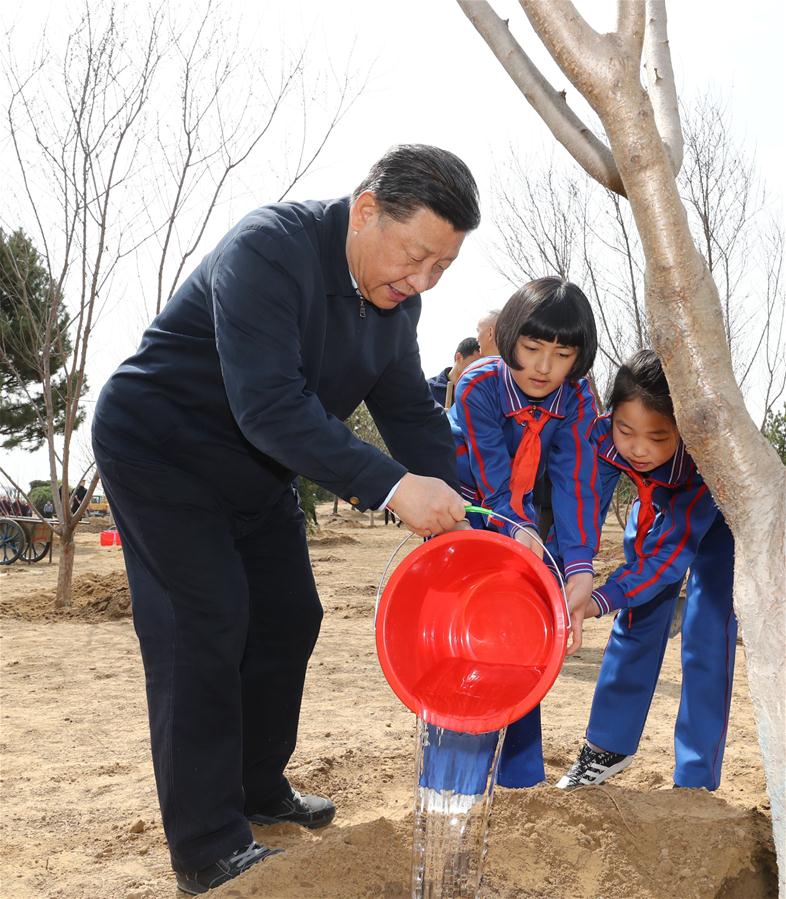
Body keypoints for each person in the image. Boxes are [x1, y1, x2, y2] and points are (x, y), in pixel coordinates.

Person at [91, 144, 479, 894]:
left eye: (443, 267)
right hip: (162, 448)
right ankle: (207, 845)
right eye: (416, 256)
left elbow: (411, 416)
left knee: (289, 615)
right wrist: (395, 489)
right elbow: (269, 405)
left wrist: (476, 515)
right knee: (206, 620)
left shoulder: (398, 306)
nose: (423, 280)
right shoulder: (268, 250)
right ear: (366, 210)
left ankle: (257, 785)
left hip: (256, 469)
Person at [556, 350, 736, 791]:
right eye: (626, 430)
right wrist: (576, 573)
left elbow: (664, 561)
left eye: (658, 436)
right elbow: (583, 511)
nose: (639, 448)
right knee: (637, 618)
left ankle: (696, 776)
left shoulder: (703, 460)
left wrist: (600, 600)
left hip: (716, 513)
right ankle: (606, 748)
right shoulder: (601, 438)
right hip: (653, 505)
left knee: (708, 634)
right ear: (611, 416)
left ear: (683, 429)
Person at [449, 276, 600, 789]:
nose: (543, 367)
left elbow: (576, 482)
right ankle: (458, 772)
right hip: (467, 513)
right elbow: (493, 480)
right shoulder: (478, 385)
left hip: (526, 516)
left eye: (562, 355)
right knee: (469, 632)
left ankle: (519, 778)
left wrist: (579, 565)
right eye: (532, 348)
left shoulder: (578, 400)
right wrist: (519, 529)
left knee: (520, 635)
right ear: (509, 337)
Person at [427, 336, 480, 408]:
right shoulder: (428, 390)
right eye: (475, 364)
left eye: (483, 366)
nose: (479, 370)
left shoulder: (479, 396)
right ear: (458, 357)